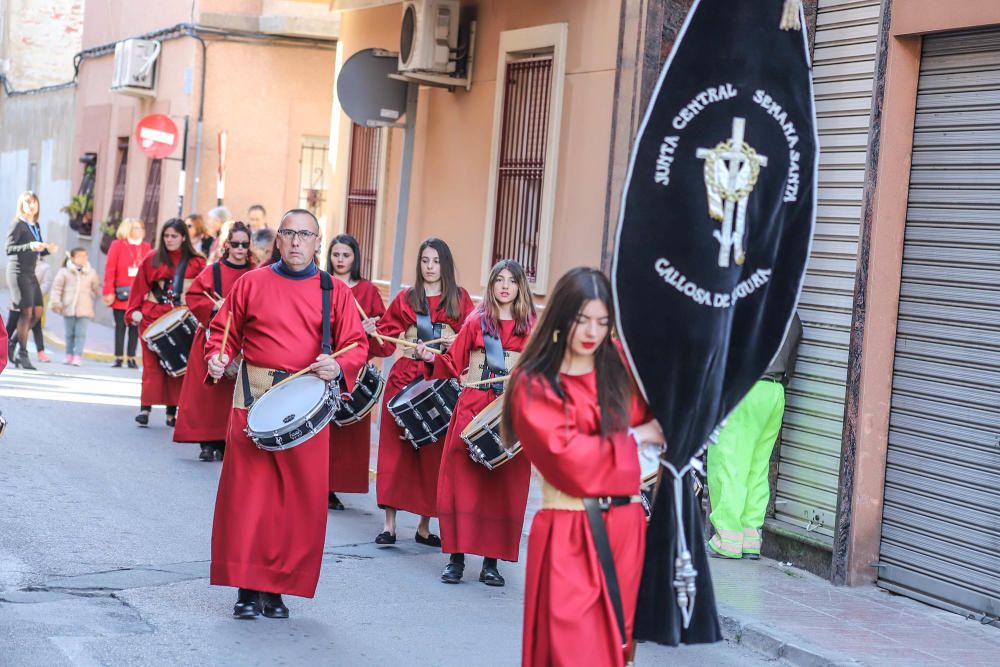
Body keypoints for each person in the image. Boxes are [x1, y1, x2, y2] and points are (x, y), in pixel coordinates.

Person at [205, 208, 368, 620]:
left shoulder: (335, 291)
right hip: (253, 402)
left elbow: (355, 345)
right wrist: (216, 357)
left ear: (318, 242)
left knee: (296, 504)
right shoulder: (251, 283)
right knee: (248, 501)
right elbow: (221, 331)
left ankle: (277, 589)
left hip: (306, 407)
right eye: (289, 234)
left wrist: (340, 366)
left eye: (305, 235)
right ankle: (245, 588)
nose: (297, 242)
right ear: (278, 239)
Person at [502, 267, 664, 667]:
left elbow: (661, 414)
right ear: (561, 316)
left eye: (603, 322)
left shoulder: (617, 367)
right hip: (570, 531)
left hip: (627, 526)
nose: (592, 331)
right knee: (576, 653)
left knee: (619, 650)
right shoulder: (533, 381)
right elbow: (567, 460)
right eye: (582, 319)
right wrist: (638, 437)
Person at [415, 259, 536, 587]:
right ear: (492, 285)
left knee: (502, 488)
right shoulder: (476, 321)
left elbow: (541, 371)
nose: (505, 286)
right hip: (472, 407)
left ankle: (491, 563)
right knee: (462, 483)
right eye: (500, 280)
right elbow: (453, 360)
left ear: (520, 287)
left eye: (512, 280)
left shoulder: (532, 326)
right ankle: (455, 557)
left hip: (508, 411)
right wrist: (431, 359)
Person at [369, 238, 474, 546]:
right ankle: (389, 525)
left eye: (436, 261)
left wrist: (450, 353)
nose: (430, 267)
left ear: (445, 265)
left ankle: (424, 526)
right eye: (425, 261)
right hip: (405, 377)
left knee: (431, 452)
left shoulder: (459, 298)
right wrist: (371, 332)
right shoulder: (406, 298)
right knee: (396, 450)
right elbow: (386, 343)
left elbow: (471, 339)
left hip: (439, 378)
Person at [707, 313, 802, 559]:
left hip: (743, 390)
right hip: (774, 393)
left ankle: (726, 540)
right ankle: (751, 539)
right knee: (757, 468)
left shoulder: (747, 306)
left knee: (728, 464)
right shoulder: (791, 315)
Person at [174, 222, 255, 462]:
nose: (240, 248)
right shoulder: (214, 271)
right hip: (212, 337)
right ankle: (206, 443)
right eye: (235, 243)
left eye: (244, 244)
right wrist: (213, 307)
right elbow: (193, 296)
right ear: (227, 244)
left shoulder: (255, 272)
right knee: (208, 394)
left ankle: (225, 440)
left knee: (232, 396)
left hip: (242, 341)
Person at [125, 219, 207, 427]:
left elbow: (203, 290)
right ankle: (145, 409)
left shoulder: (196, 262)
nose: (169, 240)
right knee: (152, 365)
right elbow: (139, 286)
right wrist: (133, 310)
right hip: (152, 316)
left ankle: (172, 412)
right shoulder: (153, 258)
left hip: (180, 317)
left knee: (178, 366)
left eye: (174, 236)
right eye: (166, 236)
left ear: (183, 238)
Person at [325, 234, 385, 510]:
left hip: (353, 369)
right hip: (325, 364)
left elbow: (382, 340)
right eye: (336, 254)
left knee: (346, 430)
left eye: (345, 255)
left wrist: (373, 331)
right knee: (323, 427)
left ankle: (336, 484)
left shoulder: (368, 291)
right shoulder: (323, 286)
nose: (340, 260)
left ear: (355, 258)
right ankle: (320, 484)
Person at [5, 191, 57, 370]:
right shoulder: (18, 224)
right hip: (18, 272)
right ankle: (23, 353)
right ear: (22, 205)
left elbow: (39, 251)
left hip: (31, 272)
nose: (32, 206)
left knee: (38, 312)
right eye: (28, 203)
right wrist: (29, 245)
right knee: (25, 312)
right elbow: (9, 249)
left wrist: (47, 249)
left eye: (34, 202)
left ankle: (12, 342)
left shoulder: (36, 225)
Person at [103, 218, 152, 368]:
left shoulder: (146, 247)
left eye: (141, 228)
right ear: (128, 229)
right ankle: (118, 357)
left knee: (135, 326)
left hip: (139, 294)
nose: (140, 231)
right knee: (120, 326)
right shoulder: (117, 245)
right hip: (120, 294)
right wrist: (108, 291)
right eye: (136, 228)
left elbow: (150, 272)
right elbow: (110, 269)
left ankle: (131, 357)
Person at [50, 248, 101, 366]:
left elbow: (96, 287)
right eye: (80, 256)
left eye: (85, 256)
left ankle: (77, 355)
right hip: (68, 307)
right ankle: (69, 354)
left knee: (81, 333)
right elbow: (57, 288)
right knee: (69, 333)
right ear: (72, 258)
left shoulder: (91, 272)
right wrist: (55, 302)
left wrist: (103, 293)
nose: (83, 259)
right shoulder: (64, 272)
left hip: (85, 308)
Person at [6, 259, 54, 363]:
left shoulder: (44, 265)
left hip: (33, 285)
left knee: (37, 317)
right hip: (20, 279)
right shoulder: (20, 256)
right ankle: (16, 349)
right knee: (12, 324)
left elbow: (47, 283)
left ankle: (15, 344)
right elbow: (11, 249)